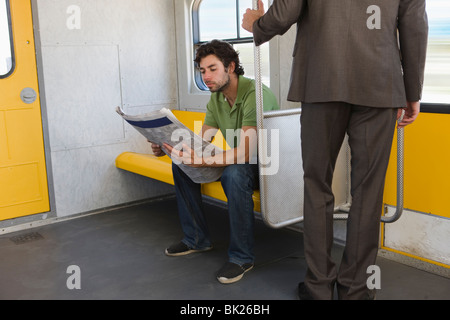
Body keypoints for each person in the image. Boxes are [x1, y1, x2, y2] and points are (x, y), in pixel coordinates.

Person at [243, 0, 428, 299]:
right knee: (369, 192)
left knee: (317, 185)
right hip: (380, 84)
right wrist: (413, 91)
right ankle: (356, 289)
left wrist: (257, 24)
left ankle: (318, 286)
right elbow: (414, 26)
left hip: (321, 80)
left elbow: (286, 12)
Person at [150, 40, 279, 284]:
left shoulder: (255, 94)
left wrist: (203, 159)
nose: (206, 76)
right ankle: (196, 239)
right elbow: (203, 143)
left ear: (230, 67)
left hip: (270, 166)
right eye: (202, 71)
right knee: (181, 164)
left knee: (234, 173)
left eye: (212, 69)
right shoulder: (217, 99)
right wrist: (168, 148)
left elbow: (246, 151)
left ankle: (242, 258)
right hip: (242, 160)